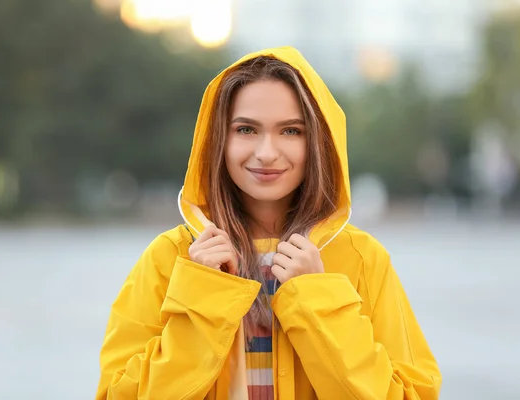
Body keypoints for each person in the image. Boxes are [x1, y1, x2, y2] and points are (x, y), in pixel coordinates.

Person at [96, 46, 441, 400]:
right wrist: (202, 297)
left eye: (291, 131)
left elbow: (409, 394)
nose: (266, 152)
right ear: (218, 140)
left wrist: (315, 299)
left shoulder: (362, 259)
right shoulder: (170, 258)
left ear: (319, 143)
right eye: (246, 129)